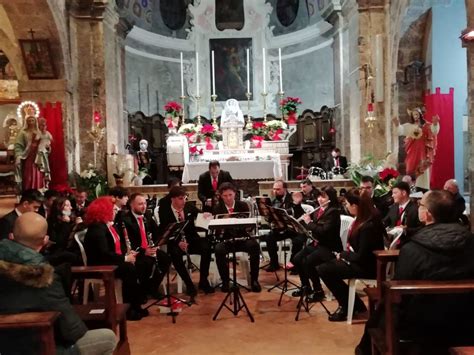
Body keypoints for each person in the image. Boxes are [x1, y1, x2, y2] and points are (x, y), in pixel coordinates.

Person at [356, 190, 474, 355]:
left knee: (381, 316)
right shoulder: (470, 241)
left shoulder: (413, 249)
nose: (418, 207)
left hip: (422, 325)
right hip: (466, 320)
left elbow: (400, 295)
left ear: (428, 215)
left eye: (420, 205)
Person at [0, 212, 117, 354]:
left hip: (6, 345)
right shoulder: (43, 277)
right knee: (107, 337)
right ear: (44, 241)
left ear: (11, 236)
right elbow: (72, 329)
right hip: (40, 346)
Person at [318, 188, 385, 322]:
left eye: (347, 204)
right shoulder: (363, 220)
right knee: (325, 267)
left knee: (325, 269)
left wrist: (343, 255)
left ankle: (347, 306)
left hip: (368, 266)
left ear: (355, 206)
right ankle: (355, 304)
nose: (347, 207)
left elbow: (362, 256)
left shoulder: (368, 226)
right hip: (362, 261)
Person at [83, 196, 148, 320]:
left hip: (110, 260)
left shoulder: (106, 225)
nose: (116, 211)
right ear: (103, 211)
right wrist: (124, 258)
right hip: (100, 264)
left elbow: (118, 246)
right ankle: (129, 309)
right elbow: (104, 254)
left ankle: (136, 304)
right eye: (113, 210)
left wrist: (129, 254)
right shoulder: (97, 229)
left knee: (139, 264)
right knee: (129, 269)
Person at [158, 186, 214, 296]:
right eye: (180, 198)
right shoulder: (164, 210)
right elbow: (164, 230)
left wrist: (205, 215)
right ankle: (189, 284)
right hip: (175, 242)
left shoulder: (188, 206)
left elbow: (201, 214)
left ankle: (203, 280)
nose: (184, 201)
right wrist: (178, 242)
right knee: (174, 254)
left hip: (191, 239)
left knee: (206, 246)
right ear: (172, 199)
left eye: (185, 198)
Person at [292, 186, 342, 302]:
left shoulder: (333, 212)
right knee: (297, 259)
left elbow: (323, 231)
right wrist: (298, 207)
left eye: (323, 197)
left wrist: (309, 222)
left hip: (330, 247)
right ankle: (306, 287)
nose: (320, 199)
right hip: (318, 244)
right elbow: (312, 226)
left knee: (308, 261)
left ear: (331, 198)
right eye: (319, 196)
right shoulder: (319, 210)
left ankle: (318, 291)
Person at [212, 183, 261, 292]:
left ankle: (254, 280)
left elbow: (248, 226)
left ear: (235, 194)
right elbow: (215, 231)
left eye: (230, 195)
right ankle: (225, 281)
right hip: (226, 240)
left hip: (241, 238)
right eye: (225, 196)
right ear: (221, 196)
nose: (228, 198)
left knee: (254, 246)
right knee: (218, 249)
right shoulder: (217, 208)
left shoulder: (242, 205)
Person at [122, 193, 170, 299]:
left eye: (145, 203)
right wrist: (144, 251)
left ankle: (152, 287)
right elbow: (128, 241)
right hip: (136, 252)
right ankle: (141, 291)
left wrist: (157, 244)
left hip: (149, 249)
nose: (144, 206)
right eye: (140, 204)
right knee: (145, 263)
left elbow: (156, 232)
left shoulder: (147, 215)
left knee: (165, 259)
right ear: (131, 205)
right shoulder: (126, 219)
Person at [262, 180, 306, 272]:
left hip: (295, 229)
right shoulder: (273, 201)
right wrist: (268, 216)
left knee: (298, 240)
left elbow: (300, 213)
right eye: (274, 189)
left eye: (278, 189)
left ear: (285, 189)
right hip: (282, 228)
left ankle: (294, 264)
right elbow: (271, 218)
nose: (275, 191)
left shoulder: (293, 197)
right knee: (269, 237)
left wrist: (296, 205)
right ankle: (274, 263)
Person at [392, 107, 440, 190]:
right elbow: (400, 130)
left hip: (423, 153)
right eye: (414, 115)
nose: (415, 116)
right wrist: (397, 124)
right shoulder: (409, 126)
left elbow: (434, 130)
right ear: (411, 116)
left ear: (420, 115)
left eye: (417, 114)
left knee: (422, 169)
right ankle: (411, 187)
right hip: (412, 152)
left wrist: (435, 124)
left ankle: (423, 189)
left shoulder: (426, 125)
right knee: (410, 167)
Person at [14, 114, 47, 191]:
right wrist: (18, 156)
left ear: (35, 121)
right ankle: (28, 191)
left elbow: (45, 143)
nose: (31, 122)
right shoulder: (23, 133)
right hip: (28, 156)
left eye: (32, 120)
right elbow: (18, 145)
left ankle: (39, 191)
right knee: (28, 175)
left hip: (38, 157)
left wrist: (46, 148)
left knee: (39, 173)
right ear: (26, 122)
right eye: (29, 120)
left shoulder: (39, 132)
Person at [35, 117, 53, 188]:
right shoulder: (38, 133)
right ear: (39, 126)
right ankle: (41, 183)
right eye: (41, 125)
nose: (43, 127)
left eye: (44, 125)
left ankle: (46, 182)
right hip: (40, 150)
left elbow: (51, 139)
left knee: (46, 165)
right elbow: (36, 139)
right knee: (41, 165)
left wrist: (48, 145)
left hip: (45, 150)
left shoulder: (48, 133)